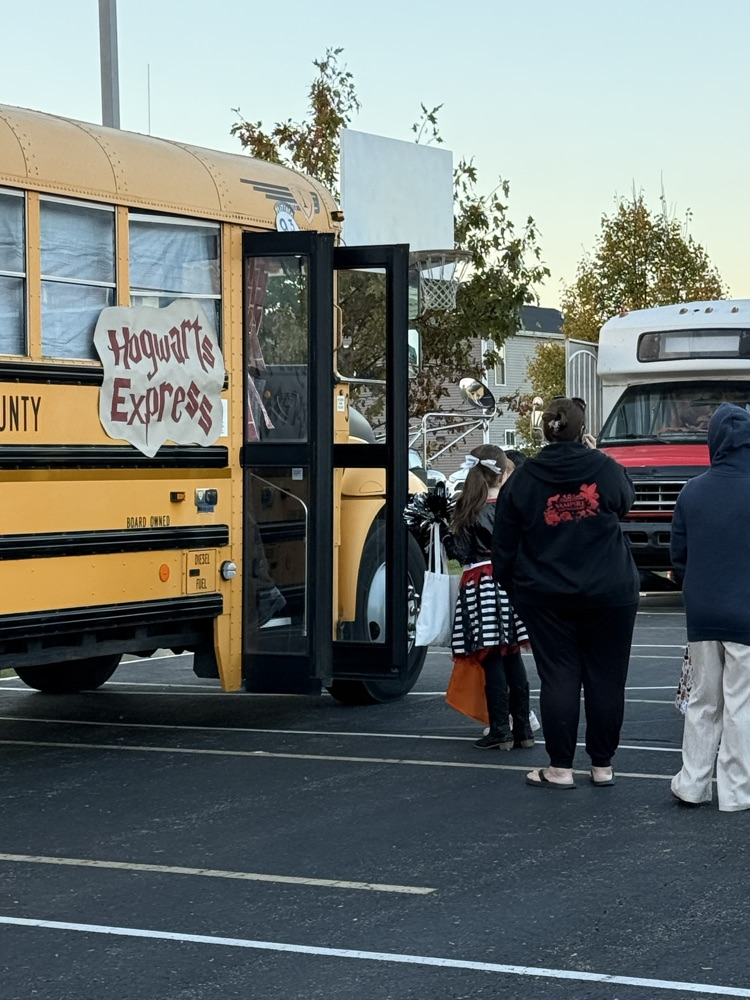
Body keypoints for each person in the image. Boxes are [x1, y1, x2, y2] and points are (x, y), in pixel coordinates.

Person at [492, 397, 639, 789]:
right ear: (581, 429)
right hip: (610, 588)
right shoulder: (605, 468)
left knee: (559, 676)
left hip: (546, 592)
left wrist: (515, 587)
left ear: (545, 429)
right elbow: (626, 502)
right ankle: (603, 765)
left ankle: (560, 767)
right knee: (607, 677)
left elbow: (503, 545)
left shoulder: (523, 479)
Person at [670, 402, 750, 811]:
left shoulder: (691, 490)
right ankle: (735, 792)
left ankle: (692, 783)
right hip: (747, 613)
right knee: (741, 704)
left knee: (703, 699)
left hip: (701, 613)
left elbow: (678, 558)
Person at [443, 444, 533, 750]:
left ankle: (499, 729)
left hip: (480, 585)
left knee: (491, 655)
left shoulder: (467, 509)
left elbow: (459, 553)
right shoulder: (513, 507)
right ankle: (523, 729)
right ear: (502, 473)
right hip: (511, 583)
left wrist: (444, 534)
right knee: (512, 654)